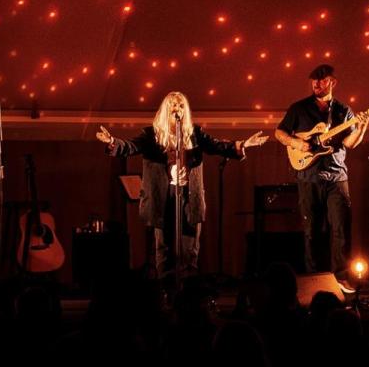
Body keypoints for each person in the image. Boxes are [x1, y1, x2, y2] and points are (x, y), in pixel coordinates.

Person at [97, 91, 267, 279]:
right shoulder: (151, 135)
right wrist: (112, 142)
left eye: (180, 106)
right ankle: (166, 292)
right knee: (164, 250)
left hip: (189, 198)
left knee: (189, 250)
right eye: (173, 106)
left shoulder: (195, 134)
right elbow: (129, 146)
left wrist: (243, 144)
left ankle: (188, 293)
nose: (177, 110)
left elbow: (218, 145)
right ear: (165, 110)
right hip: (163, 198)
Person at [274, 64, 369, 292]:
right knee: (312, 230)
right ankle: (314, 279)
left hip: (337, 176)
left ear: (332, 82)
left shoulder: (343, 111)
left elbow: (349, 143)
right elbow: (279, 133)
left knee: (341, 229)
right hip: (308, 176)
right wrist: (297, 143)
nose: (316, 84)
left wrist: (362, 127)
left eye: (322, 80)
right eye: (313, 80)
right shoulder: (299, 108)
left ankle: (342, 278)